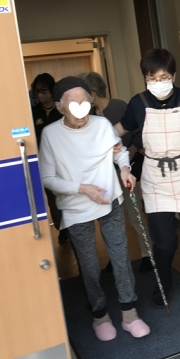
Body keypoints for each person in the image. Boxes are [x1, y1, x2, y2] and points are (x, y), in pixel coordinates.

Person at [40, 76, 151, 341]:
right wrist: (83, 188)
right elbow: (47, 178)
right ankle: (100, 316)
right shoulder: (51, 134)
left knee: (120, 257)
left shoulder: (101, 125)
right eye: (73, 104)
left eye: (85, 103)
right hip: (76, 208)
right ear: (60, 107)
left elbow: (119, 152)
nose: (81, 110)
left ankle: (129, 313)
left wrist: (124, 169)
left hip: (111, 200)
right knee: (89, 265)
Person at [115, 49, 180, 323]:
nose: (158, 83)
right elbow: (119, 131)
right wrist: (94, 135)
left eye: (163, 77)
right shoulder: (138, 103)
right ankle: (162, 286)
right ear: (145, 79)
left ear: (173, 75)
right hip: (154, 178)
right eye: (152, 78)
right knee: (164, 243)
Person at [77, 71, 153, 273]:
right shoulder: (90, 116)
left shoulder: (118, 107)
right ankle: (117, 256)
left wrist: (131, 153)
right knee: (110, 218)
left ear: (93, 92)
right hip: (104, 175)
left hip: (126, 169)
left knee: (134, 214)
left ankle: (148, 253)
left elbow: (139, 132)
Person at [30, 73, 68, 243]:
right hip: (43, 162)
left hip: (63, 158)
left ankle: (73, 226)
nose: (40, 95)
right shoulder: (33, 112)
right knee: (52, 198)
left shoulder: (61, 110)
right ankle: (62, 228)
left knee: (66, 193)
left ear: (52, 91)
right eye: (37, 92)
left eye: (44, 91)